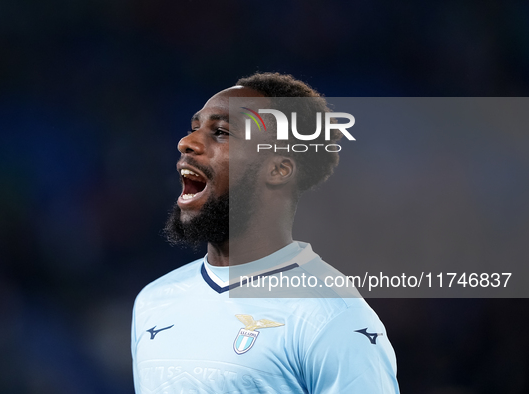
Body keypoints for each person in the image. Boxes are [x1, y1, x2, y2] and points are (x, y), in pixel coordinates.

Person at [131, 72, 399, 393]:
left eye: (220, 132)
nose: (186, 142)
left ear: (278, 169)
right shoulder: (154, 301)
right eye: (194, 128)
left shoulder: (332, 317)